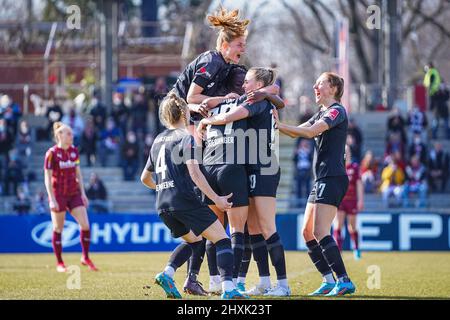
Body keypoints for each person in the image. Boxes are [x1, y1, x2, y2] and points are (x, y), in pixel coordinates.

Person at [140, 92, 247, 299]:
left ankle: (167, 273)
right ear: (185, 112)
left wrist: (163, 187)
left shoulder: (157, 140)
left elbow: (144, 178)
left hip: (163, 204)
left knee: (195, 241)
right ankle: (229, 290)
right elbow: (195, 174)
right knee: (223, 240)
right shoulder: (186, 138)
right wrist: (217, 199)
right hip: (184, 200)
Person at [198, 67, 290, 297]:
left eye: (248, 81)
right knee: (254, 229)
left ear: (258, 84)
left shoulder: (257, 99)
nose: (244, 85)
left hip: (263, 167)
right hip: (250, 167)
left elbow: (230, 116)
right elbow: (275, 95)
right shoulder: (259, 96)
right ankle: (265, 281)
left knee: (267, 227)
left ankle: (283, 285)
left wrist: (208, 121)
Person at [273, 72, 356, 296]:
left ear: (333, 89)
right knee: (307, 232)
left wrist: (279, 124)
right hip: (321, 179)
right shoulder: (322, 112)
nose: (314, 86)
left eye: (319, 83)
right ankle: (329, 280)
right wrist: (276, 124)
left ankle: (344, 280)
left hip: (333, 178)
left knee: (320, 231)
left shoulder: (337, 111)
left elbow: (309, 132)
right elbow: (297, 132)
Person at [44, 122, 98, 272]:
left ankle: (85, 257)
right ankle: (60, 263)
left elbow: (78, 174)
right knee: (58, 228)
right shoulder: (51, 154)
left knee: (86, 225)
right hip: (58, 194)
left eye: (71, 133)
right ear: (59, 135)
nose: (71, 136)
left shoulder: (74, 151)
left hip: (74, 194)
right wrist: (52, 198)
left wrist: (83, 194)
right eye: (68, 133)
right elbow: (47, 178)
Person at [334, 145, 364, 260]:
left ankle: (356, 249)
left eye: (346, 151)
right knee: (338, 225)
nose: (345, 153)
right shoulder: (338, 166)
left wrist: (361, 200)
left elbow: (359, 184)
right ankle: (338, 251)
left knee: (352, 227)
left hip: (352, 201)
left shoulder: (355, 167)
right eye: (343, 151)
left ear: (349, 153)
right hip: (340, 200)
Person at [293, 139, 313, 204]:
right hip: (299, 170)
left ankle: (308, 203)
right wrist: (296, 153)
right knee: (299, 188)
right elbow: (294, 160)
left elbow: (311, 159)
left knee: (307, 188)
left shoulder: (309, 151)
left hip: (307, 170)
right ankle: (299, 203)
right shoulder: (298, 151)